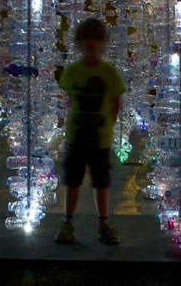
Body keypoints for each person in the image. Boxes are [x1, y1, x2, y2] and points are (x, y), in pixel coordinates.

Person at [55, 18, 125, 245]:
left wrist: (108, 125)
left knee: (100, 182)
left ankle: (103, 222)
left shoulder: (109, 72)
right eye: (86, 39)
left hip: (99, 139)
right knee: (73, 181)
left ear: (101, 42)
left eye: (95, 39)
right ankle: (68, 222)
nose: (90, 44)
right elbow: (67, 98)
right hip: (76, 136)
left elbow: (116, 102)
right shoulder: (73, 71)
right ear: (80, 42)